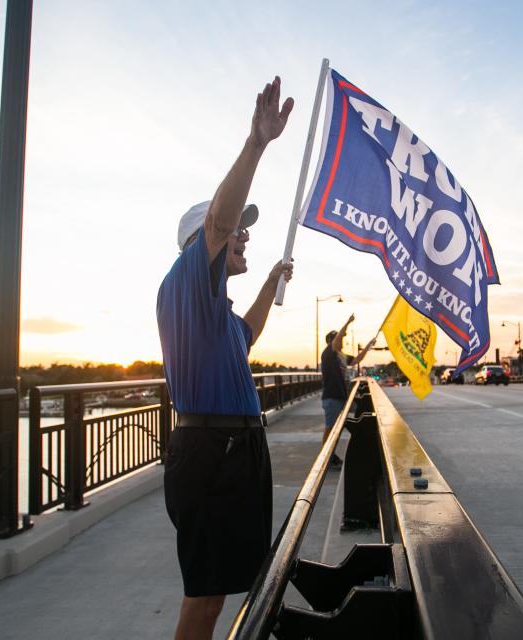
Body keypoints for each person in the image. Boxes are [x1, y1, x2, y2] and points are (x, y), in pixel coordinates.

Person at [156, 76, 294, 640]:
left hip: (238, 449)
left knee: (237, 580)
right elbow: (217, 220)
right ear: (203, 244)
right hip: (211, 451)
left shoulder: (215, 316)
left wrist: (270, 280)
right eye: (238, 231)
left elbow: (250, 334)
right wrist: (257, 144)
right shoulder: (186, 281)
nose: (243, 236)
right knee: (206, 591)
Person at [320, 314, 376, 469]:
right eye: (337, 339)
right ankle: (326, 458)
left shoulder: (342, 356)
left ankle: (331, 454)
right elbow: (337, 339)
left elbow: (357, 359)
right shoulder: (329, 354)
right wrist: (348, 322)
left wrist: (369, 345)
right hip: (332, 397)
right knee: (330, 428)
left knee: (354, 417)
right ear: (331, 341)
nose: (341, 341)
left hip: (342, 397)